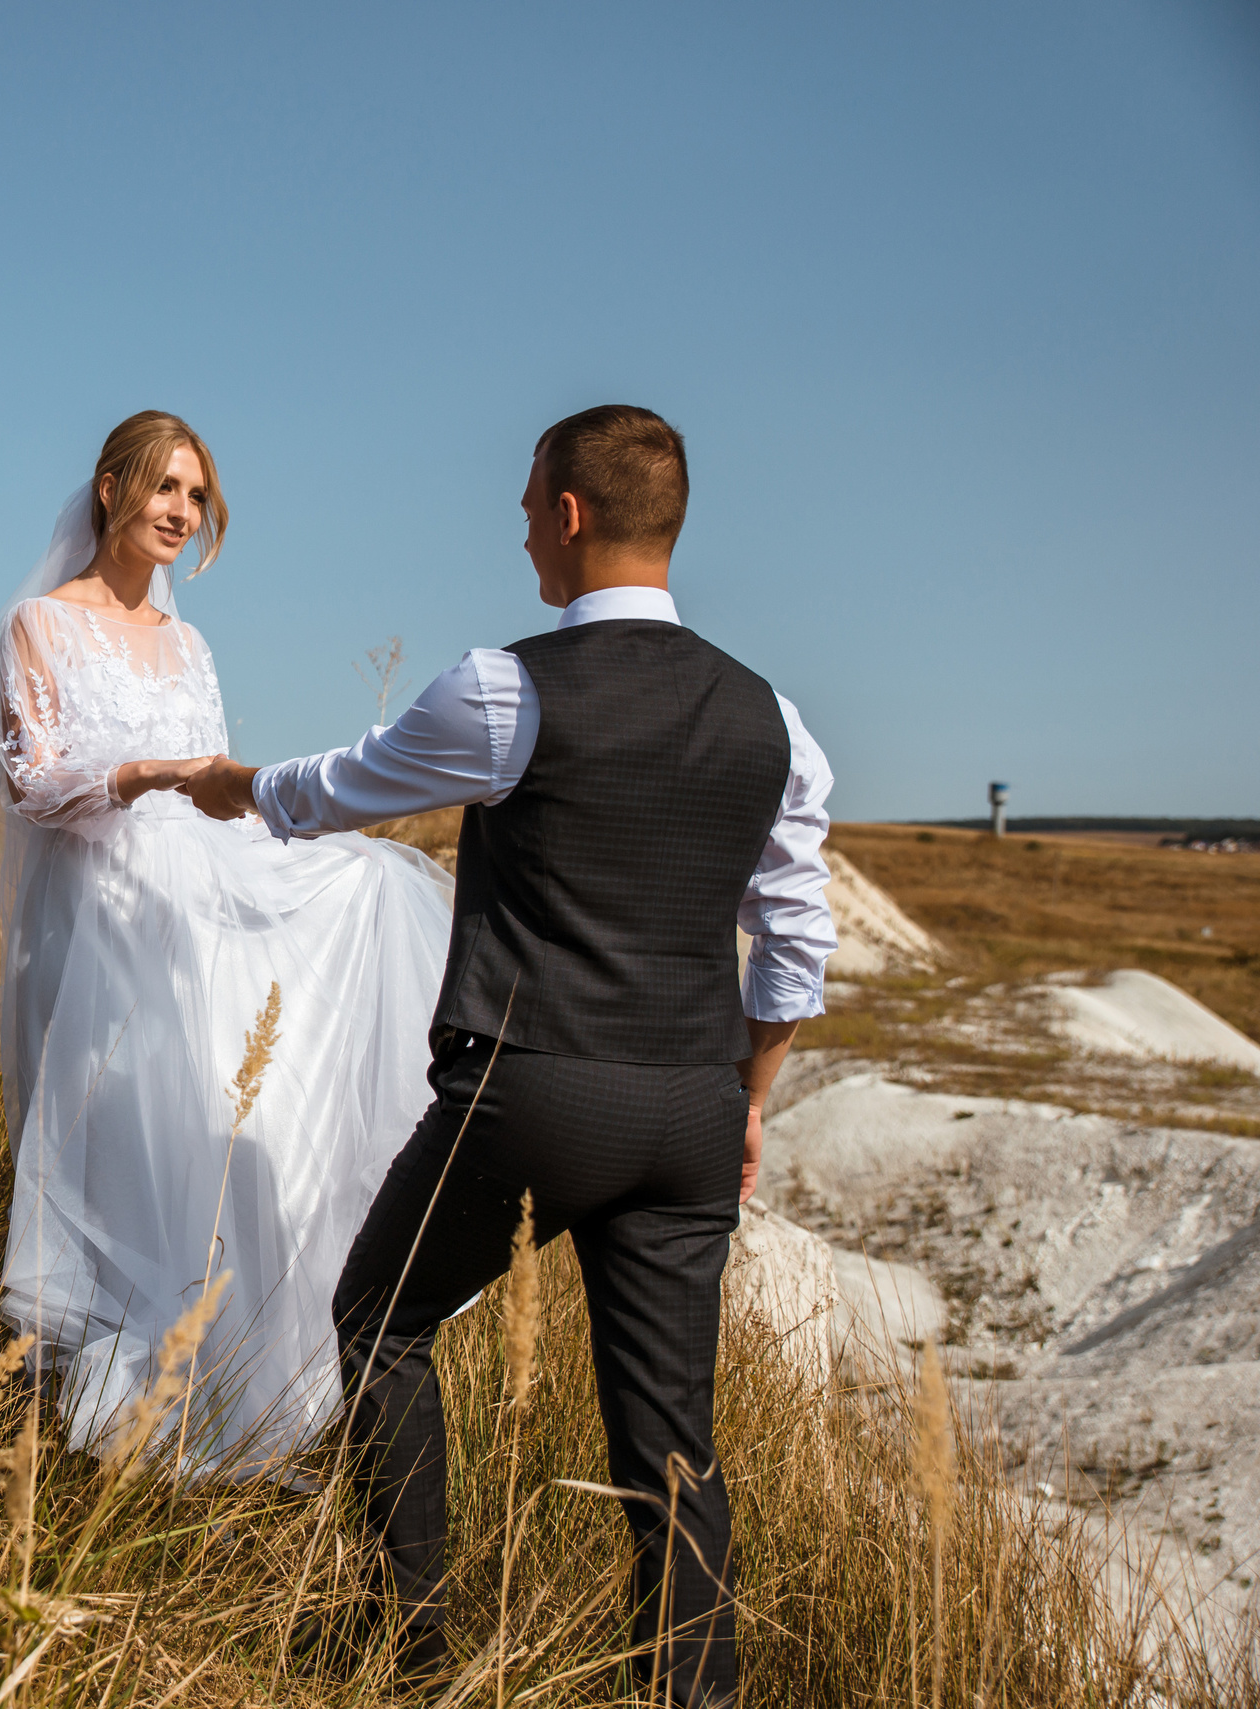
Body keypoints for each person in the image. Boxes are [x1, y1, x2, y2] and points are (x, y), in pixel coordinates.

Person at [184, 404, 835, 1703]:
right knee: (671, 1438)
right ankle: (692, 1692)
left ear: (574, 514)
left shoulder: (506, 687)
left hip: (530, 1093)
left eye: (532, 503)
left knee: (379, 1317)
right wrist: (748, 1104)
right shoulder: (776, 720)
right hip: (694, 1113)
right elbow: (797, 946)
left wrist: (234, 785)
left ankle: (414, 1646)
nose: (524, 526)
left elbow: (339, 791)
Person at [0, 411, 456, 1477]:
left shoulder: (191, 643)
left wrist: (267, 818)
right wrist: (144, 774)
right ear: (108, 489)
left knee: (212, 1118)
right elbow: (31, 783)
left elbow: (218, 785)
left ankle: (219, 1387)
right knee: (115, 1140)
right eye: (164, 487)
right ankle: (102, 1412)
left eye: (195, 496)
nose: (180, 511)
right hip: (94, 911)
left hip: (197, 904)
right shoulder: (39, 623)